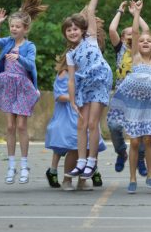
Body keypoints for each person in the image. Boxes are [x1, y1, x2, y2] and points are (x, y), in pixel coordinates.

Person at [0, 0, 48, 185]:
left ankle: (24, 165)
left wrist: (18, 57)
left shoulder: (29, 46)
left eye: (17, 26)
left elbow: (31, 65)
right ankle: (11, 165)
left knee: (22, 126)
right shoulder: (7, 42)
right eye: (11, 26)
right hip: (8, 86)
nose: (13, 29)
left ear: (25, 29)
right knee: (9, 126)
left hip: (22, 87)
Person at [111, 0, 151, 194]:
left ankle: (150, 175)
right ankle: (132, 178)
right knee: (134, 141)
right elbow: (135, 33)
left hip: (149, 104)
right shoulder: (134, 56)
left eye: (148, 41)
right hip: (133, 104)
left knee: (148, 140)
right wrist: (136, 14)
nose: (144, 42)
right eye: (142, 41)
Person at [65, 0, 113, 180]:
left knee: (93, 123)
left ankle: (92, 162)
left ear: (82, 30)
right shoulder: (70, 54)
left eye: (75, 29)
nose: (72, 32)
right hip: (85, 85)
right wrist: (72, 100)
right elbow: (71, 79)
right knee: (81, 124)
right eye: (68, 30)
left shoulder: (91, 38)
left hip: (100, 79)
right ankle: (81, 162)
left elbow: (91, 10)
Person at [45, 58, 106, 191]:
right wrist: (75, 97)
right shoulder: (65, 74)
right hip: (71, 115)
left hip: (87, 112)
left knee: (90, 148)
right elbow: (59, 95)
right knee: (74, 148)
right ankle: (67, 180)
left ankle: (82, 181)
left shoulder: (88, 73)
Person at [107, 1, 148, 176]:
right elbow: (111, 30)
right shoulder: (120, 49)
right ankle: (121, 152)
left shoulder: (142, 50)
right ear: (123, 38)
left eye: (134, 33)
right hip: (122, 95)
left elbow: (145, 30)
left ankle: (140, 158)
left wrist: (136, 14)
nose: (133, 35)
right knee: (114, 125)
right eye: (129, 34)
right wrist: (120, 11)